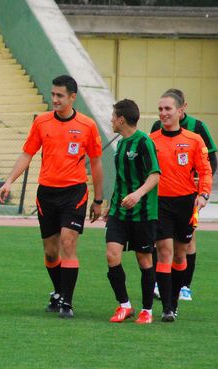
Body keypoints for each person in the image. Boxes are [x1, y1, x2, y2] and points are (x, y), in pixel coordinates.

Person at [0, 75, 104, 318]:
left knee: (68, 243)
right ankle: (59, 293)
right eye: (53, 94)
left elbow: (96, 164)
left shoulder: (87, 125)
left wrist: (98, 199)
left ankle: (67, 302)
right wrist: (9, 181)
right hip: (46, 193)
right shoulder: (42, 123)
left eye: (60, 95)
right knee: (50, 251)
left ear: (72, 97)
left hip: (74, 193)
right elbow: (27, 154)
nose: (54, 99)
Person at [149, 91, 212, 322]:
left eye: (168, 109)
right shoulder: (152, 140)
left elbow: (205, 170)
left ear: (180, 111)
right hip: (160, 203)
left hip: (185, 202)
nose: (163, 113)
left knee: (180, 254)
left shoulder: (194, 139)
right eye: (161, 109)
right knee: (164, 252)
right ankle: (166, 307)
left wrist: (203, 194)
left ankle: (174, 301)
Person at [102, 99, 160, 324]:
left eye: (113, 116)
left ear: (122, 119)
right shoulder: (121, 144)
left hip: (143, 213)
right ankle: (124, 305)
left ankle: (147, 310)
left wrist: (137, 195)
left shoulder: (144, 142)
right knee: (111, 255)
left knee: (144, 260)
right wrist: (111, 203)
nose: (111, 120)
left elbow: (155, 175)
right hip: (120, 211)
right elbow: (122, 179)